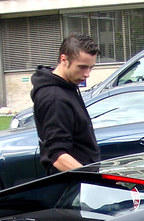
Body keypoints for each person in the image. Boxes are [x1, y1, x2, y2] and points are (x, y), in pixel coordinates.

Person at [31, 34, 101, 174]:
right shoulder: (55, 98)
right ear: (64, 59)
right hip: (72, 182)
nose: (87, 74)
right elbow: (57, 155)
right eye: (82, 67)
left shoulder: (67, 86)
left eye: (90, 68)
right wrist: (91, 178)